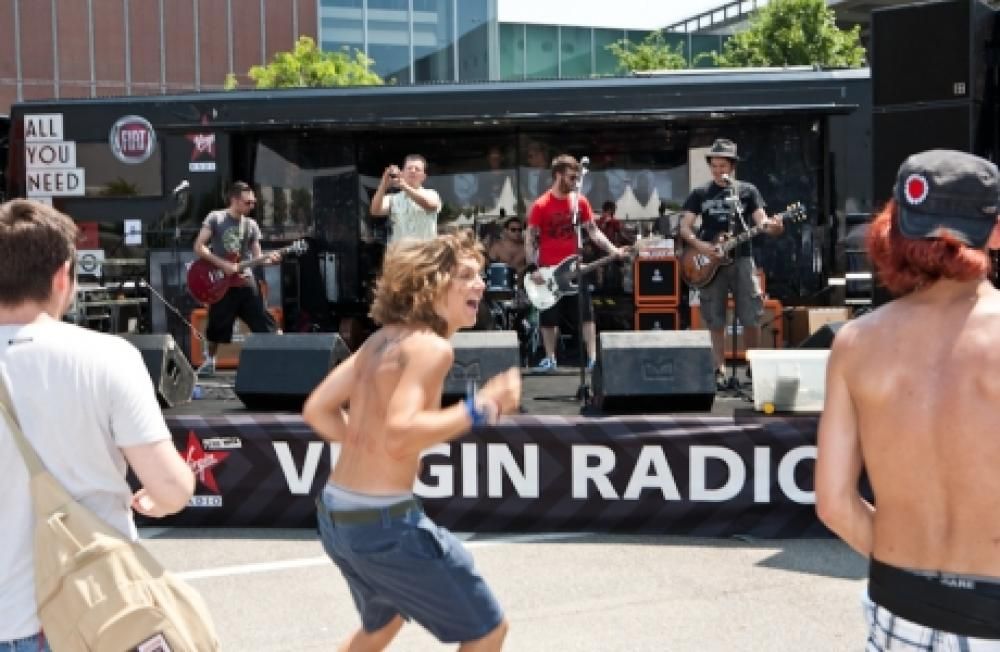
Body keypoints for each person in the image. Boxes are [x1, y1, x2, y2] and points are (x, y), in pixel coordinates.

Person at [303, 230, 521, 652]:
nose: (480, 285)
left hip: (336, 516)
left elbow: (318, 409)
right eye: (467, 276)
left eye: (479, 275)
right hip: (383, 526)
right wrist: (482, 407)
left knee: (382, 625)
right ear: (431, 284)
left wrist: (372, 448)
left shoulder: (379, 340)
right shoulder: (432, 349)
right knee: (487, 631)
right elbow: (401, 432)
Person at [816, 149, 1000, 647]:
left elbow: (833, 503)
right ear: (995, 232)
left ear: (893, 231)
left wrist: (908, 561)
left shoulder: (856, 342)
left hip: (900, 608)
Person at [0, 200, 196, 651]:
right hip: (88, 615)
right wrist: (158, 500)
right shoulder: (108, 357)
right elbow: (171, 487)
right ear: (62, 276)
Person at [676, 138, 783, 384]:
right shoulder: (700, 193)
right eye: (714, 166)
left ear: (732, 166)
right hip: (710, 261)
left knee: (752, 313)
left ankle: (753, 366)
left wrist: (775, 227)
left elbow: (762, 223)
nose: (718, 170)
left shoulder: (747, 191)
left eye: (722, 166)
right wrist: (702, 246)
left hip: (742, 258)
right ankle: (718, 368)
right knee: (714, 316)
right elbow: (684, 227)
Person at [524, 155, 627, 372]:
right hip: (548, 269)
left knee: (586, 314)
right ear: (558, 175)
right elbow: (530, 238)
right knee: (548, 317)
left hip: (574, 268)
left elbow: (593, 231)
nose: (575, 182)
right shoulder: (541, 205)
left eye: (577, 178)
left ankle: (592, 358)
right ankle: (550, 358)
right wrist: (533, 268)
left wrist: (613, 250)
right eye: (571, 177)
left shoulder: (579, 202)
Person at [193, 181, 281, 376]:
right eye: (247, 202)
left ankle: (278, 362)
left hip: (246, 282)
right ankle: (210, 360)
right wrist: (223, 264)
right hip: (222, 283)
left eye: (253, 203)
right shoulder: (216, 218)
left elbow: (258, 258)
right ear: (234, 200)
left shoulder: (250, 225)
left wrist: (271, 260)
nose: (251, 206)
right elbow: (199, 247)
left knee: (266, 324)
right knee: (216, 326)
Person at [371, 154, 442, 244]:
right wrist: (383, 184)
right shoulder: (392, 198)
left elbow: (430, 205)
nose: (413, 171)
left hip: (425, 251)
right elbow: (375, 211)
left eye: (417, 169)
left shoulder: (431, 194)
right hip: (401, 252)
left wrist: (403, 185)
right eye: (409, 168)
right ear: (402, 173)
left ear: (423, 177)